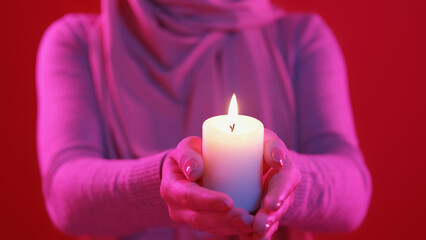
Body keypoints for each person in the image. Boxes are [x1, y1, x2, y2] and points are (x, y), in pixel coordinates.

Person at [36, 0, 372, 239]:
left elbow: (353, 193)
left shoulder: (300, 38)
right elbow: (66, 195)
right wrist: (165, 185)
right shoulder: (78, 43)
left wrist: (286, 184)